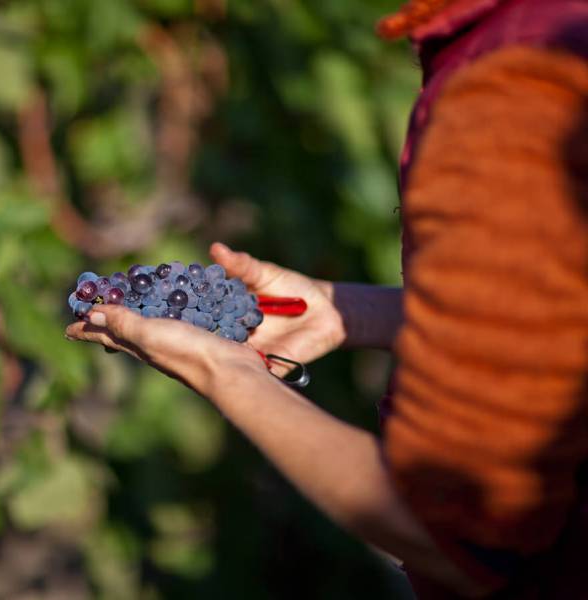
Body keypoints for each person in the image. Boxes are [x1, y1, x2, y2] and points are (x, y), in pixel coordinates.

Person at [67, 0, 588, 597]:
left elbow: (450, 531)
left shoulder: (510, 87)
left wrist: (224, 372)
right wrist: (351, 311)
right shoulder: (555, 29)